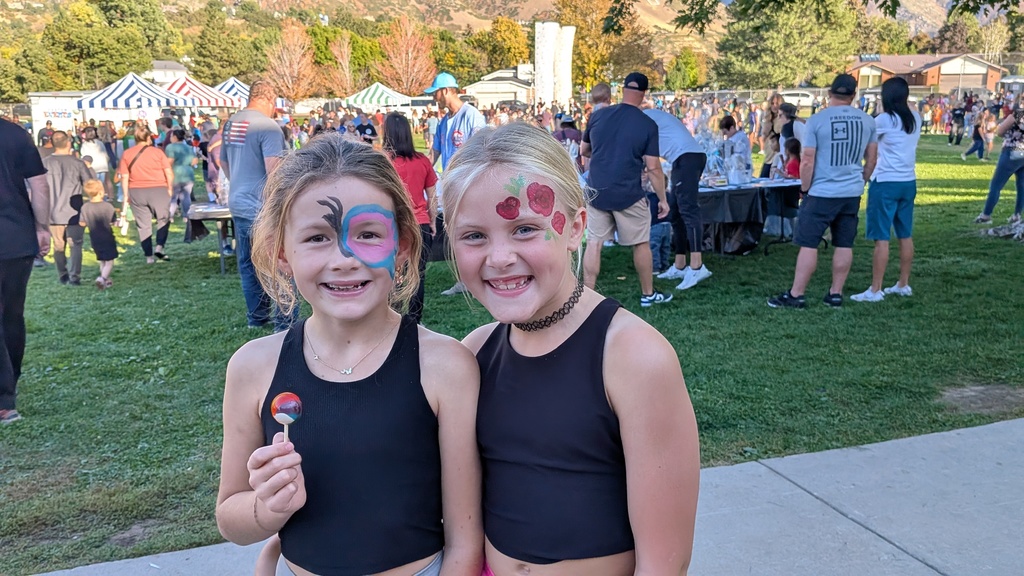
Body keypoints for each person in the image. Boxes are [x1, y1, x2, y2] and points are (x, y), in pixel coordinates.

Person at [215, 133, 483, 576]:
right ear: (283, 253)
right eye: (318, 237)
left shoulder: (446, 367)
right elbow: (232, 518)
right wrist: (267, 506)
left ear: (402, 247)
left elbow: (465, 537)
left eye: (368, 234)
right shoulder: (253, 367)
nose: (344, 258)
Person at [442, 122, 700, 575]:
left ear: (576, 227)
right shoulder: (475, 353)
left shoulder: (633, 357)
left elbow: (664, 563)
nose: (499, 257)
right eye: (474, 236)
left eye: (524, 229)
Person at [768, 74, 878, 309]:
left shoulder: (817, 120)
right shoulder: (867, 121)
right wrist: (863, 179)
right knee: (844, 243)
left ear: (829, 94)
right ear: (853, 94)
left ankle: (797, 294)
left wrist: (805, 189)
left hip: (822, 190)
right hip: (851, 191)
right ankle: (835, 293)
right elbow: (872, 158)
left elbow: (807, 159)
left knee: (809, 243)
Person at [581, 72, 671, 307]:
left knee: (593, 242)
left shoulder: (599, 116)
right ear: (643, 94)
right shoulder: (647, 124)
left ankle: (586, 297)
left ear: (622, 90)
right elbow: (653, 167)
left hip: (597, 190)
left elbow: (584, 150)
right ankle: (648, 294)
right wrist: (662, 199)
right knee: (641, 242)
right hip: (628, 193)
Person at [220, 80, 296, 331]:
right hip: (263, 207)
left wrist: (238, 185)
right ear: (269, 99)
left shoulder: (232, 123)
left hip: (238, 202)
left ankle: (257, 317)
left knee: (248, 263)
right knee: (281, 263)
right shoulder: (268, 126)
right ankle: (284, 321)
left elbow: (224, 163)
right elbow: (274, 170)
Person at [851, 78, 921, 303]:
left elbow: (864, 141)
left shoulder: (884, 119)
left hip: (885, 183)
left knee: (881, 237)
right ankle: (903, 283)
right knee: (905, 234)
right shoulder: (915, 118)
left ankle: (875, 289)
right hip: (908, 181)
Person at [0, 116, 50, 424]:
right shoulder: (15, 133)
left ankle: (5, 397)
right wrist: (41, 226)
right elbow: (39, 184)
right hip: (16, 236)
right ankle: (9, 389)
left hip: (15, 238)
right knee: (11, 315)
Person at [425, 72, 486, 297]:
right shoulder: (444, 121)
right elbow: (435, 152)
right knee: (456, 232)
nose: (434, 98)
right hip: (451, 185)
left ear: (447, 91)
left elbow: (481, 148)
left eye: (436, 93)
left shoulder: (472, 116)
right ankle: (464, 279)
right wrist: (423, 170)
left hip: (470, 184)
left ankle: (478, 276)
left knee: (473, 230)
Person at [644, 104, 712, 291]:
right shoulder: (648, 116)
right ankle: (680, 264)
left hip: (688, 158)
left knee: (689, 210)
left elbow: (647, 159)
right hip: (684, 158)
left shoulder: (641, 120)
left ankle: (697, 266)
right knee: (675, 211)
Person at [382, 112, 438, 325]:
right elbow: (432, 195)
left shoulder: (383, 162)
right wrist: (432, 222)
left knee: (391, 272)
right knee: (418, 274)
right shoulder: (423, 161)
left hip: (393, 225)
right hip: (420, 223)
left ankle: (392, 316)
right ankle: (415, 320)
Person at [119, 124, 174, 264]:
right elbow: (168, 172)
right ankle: (160, 247)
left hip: (137, 190)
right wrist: (169, 188)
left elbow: (124, 176)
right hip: (158, 189)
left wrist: (126, 195)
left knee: (143, 225)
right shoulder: (157, 152)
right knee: (163, 219)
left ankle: (149, 257)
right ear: (149, 138)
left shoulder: (127, 153)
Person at [43, 131, 92, 286]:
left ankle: (62, 274)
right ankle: (74, 277)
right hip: (74, 209)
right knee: (75, 244)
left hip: (52, 210)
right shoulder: (78, 163)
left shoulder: (44, 163)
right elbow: (89, 185)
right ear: (69, 143)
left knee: (58, 244)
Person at [974, 95, 1024, 225]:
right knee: (1021, 186)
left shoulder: (1019, 114)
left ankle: (986, 215)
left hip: (1012, 151)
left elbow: (1000, 131)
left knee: (996, 185)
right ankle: (1017, 215)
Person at [79, 179, 118, 290]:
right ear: (101, 192)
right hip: (107, 236)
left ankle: (106, 281)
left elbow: (82, 223)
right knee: (110, 261)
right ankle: (102, 278)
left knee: (102, 260)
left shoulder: (85, 207)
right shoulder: (108, 206)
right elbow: (113, 221)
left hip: (94, 237)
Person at [165, 129, 198, 241]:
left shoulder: (170, 147)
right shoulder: (188, 147)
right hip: (188, 173)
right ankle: (186, 215)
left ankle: (170, 216)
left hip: (175, 173)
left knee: (173, 196)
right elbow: (194, 161)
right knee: (186, 196)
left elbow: (169, 161)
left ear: (174, 137)